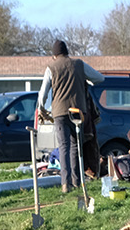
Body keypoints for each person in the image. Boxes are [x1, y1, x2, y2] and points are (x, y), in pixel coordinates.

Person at [37, 40, 102, 193]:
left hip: (59, 113)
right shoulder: (79, 64)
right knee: (75, 146)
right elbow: (100, 78)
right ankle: (77, 181)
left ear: (54, 55)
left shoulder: (51, 68)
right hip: (78, 112)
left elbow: (43, 93)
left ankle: (65, 184)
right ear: (67, 52)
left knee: (64, 147)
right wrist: (84, 80)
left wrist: (40, 108)